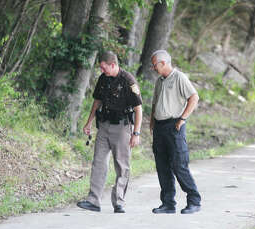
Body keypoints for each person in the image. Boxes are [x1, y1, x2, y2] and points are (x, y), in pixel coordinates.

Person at [77, 51, 142, 213]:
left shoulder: (128, 81)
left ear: (113, 65)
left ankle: (119, 201)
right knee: (98, 162)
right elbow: (97, 100)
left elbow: (138, 109)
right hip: (104, 126)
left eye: (103, 67)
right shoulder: (103, 79)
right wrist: (89, 121)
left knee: (122, 166)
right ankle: (93, 200)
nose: (102, 70)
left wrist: (136, 133)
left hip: (122, 128)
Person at [150, 50, 201, 214]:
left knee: (179, 164)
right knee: (162, 165)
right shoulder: (159, 81)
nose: (153, 68)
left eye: (154, 65)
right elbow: (155, 102)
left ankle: (194, 201)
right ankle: (168, 203)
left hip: (174, 126)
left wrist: (183, 118)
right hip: (159, 127)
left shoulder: (179, 77)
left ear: (163, 63)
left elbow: (194, 97)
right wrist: (152, 122)